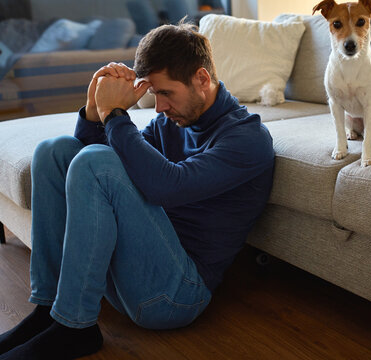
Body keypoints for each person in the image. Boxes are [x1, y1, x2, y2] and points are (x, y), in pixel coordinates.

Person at [0, 21, 274, 360]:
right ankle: (49, 311)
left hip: (176, 295)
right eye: (153, 94)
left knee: (99, 160)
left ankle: (75, 329)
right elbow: (92, 166)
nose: (158, 107)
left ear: (201, 79)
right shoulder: (170, 123)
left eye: (165, 93)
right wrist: (92, 110)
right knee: (54, 152)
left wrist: (115, 115)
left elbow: (166, 186)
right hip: (132, 276)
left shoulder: (246, 140)